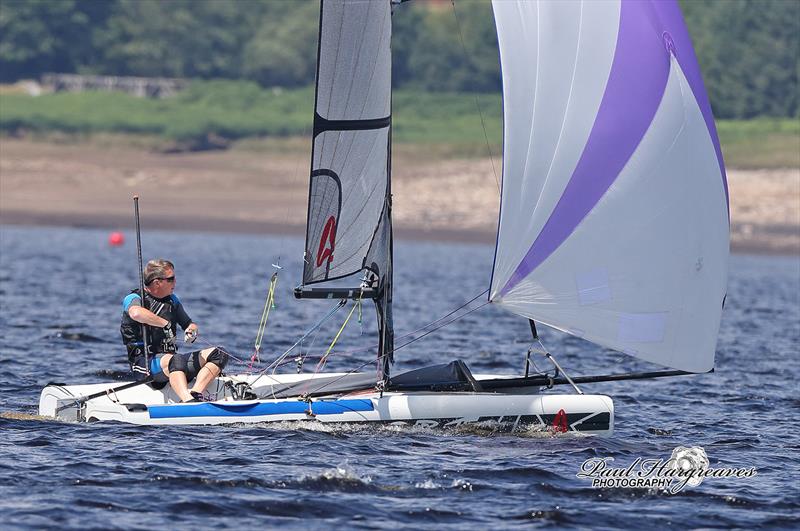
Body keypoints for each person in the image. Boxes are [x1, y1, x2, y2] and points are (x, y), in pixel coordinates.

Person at [120, 259, 228, 403]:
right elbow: (136, 314)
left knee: (219, 354)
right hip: (145, 365)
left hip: (172, 363)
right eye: (171, 279)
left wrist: (191, 331)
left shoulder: (172, 301)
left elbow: (189, 323)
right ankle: (187, 401)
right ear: (157, 282)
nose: (175, 282)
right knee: (176, 360)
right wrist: (164, 324)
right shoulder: (134, 298)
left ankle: (195, 394)